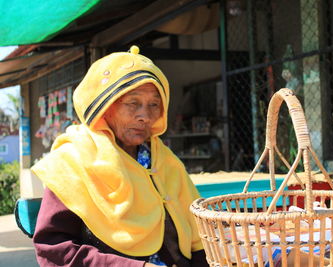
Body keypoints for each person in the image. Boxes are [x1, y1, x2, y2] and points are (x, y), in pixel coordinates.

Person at [31, 46, 208, 267]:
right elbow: (55, 251)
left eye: (154, 104)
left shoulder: (165, 160)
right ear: (105, 107)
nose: (145, 115)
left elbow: (200, 237)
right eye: (133, 103)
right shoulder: (72, 162)